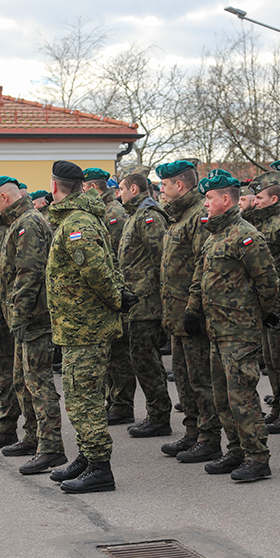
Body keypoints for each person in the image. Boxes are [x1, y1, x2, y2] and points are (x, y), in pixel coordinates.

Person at [186, 174, 279, 481]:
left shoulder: (246, 235)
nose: (205, 203)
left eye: (209, 198)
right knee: (222, 395)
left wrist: (256, 314)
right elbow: (200, 278)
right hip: (216, 329)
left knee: (242, 396)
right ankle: (236, 451)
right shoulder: (214, 235)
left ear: (225, 200)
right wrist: (192, 310)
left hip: (239, 331)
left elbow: (268, 282)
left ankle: (257, 456)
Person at [46, 160, 131, 494]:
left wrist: (116, 300)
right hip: (76, 325)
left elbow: (97, 272)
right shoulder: (74, 219)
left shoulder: (77, 222)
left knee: (85, 398)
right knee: (78, 394)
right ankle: (86, 454)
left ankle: (99, 467)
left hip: (86, 326)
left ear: (55, 187)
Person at [0, 176, 68, 472]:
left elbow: (29, 274)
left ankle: (51, 447)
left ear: (5, 198)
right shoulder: (20, 221)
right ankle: (34, 436)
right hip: (24, 316)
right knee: (23, 380)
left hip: (34, 317)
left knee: (38, 382)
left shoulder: (29, 223)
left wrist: (19, 314)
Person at [157, 160, 223, 463]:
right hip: (175, 313)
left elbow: (202, 265)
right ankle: (193, 431)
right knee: (183, 377)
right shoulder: (178, 216)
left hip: (190, 313)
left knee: (200, 380)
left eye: (165, 185)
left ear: (179, 186)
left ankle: (209, 438)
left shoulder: (197, 216)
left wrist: (194, 309)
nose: (161, 190)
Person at [244, 171, 280, 433]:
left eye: (259, 197)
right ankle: (279, 407)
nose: (254, 201)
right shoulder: (263, 224)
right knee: (271, 360)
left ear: (274, 198)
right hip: (268, 305)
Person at [113, 172, 172, 438]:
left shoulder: (149, 216)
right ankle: (156, 413)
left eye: (122, 189)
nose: (119, 194)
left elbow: (162, 259)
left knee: (146, 360)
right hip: (136, 301)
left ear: (134, 188)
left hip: (146, 302)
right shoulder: (135, 215)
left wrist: (161, 300)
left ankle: (159, 416)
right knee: (140, 359)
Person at [83, 167, 136, 424]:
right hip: (107, 294)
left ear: (93, 189)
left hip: (116, 292)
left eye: (84, 189)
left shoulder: (113, 213)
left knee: (119, 354)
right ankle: (114, 401)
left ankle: (122, 405)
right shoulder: (99, 211)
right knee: (111, 354)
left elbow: (116, 257)